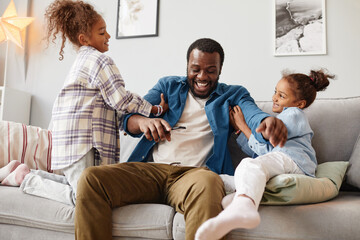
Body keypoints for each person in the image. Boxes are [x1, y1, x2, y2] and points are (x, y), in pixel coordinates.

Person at [74, 38, 288, 240]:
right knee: (92, 178)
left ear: (220, 70)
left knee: (208, 182)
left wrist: (267, 120)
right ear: (187, 66)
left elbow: (253, 115)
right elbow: (130, 119)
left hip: (194, 176)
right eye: (195, 69)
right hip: (152, 171)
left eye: (210, 71)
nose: (202, 77)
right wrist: (144, 122)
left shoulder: (232, 94)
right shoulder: (167, 86)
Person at [0, 0, 167, 206]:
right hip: (83, 142)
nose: (108, 36)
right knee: (84, 197)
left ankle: (23, 172)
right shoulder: (99, 61)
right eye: (102, 32)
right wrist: (153, 108)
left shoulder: (81, 62)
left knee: (79, 188)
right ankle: (26, 178)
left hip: (71, 142)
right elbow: (120, 98)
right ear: (84, 38)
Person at [195, 69, 334, 240]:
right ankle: (239, 201)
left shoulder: (294, 114)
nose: (275, 98)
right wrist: (240, 130)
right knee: (222, 180)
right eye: (275, 92)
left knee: (249, 164)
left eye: (282, 96)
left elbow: (266, 147)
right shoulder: (288, 118)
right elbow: (265, 152)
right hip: (283, 164)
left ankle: (245, 206)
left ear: (300, 104)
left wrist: (244, 127)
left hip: (295, 163)